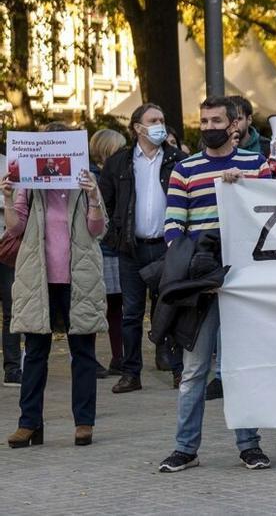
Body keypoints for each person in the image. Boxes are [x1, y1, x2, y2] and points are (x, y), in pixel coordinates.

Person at [157, 96, 273, 473]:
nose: (208, 127)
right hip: (201, 287)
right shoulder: (184, 169)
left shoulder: (257, 166)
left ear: (234, 124)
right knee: (193, 371)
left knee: (240, 368)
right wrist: (191, 267)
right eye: (203, 120)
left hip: (243, 283)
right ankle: (185, 448)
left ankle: (249, 445)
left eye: (216, 120)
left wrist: (242, 190)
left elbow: (271, 216)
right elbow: (173, 225)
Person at [4, 122, 108, 449]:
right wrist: (8, 197)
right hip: (39, 279)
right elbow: (15, 228)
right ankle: (29, 423)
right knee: (35, 352)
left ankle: (84, 422)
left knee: (83, 353)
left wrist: (92, 196)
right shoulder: (30, 185)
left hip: (79, 280)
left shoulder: (84, 182)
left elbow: (98, 230)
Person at [102, 103, 187, 394]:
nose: (159, 125)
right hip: (132, 249)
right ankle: (131, 373)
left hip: (168, 247)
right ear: (138, 127)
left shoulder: (178, 160)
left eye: (162, 120)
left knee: (172, 308)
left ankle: (178, 369)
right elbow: (107, 202)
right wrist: (116, 235)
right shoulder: (120, 163)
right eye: (153, 120)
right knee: (131, 313)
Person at [88, 128, 127, 379]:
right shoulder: (91, 177)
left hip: (115, 248)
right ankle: (87, 358)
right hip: (98, 249)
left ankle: (119, 357)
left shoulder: (116, 173)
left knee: (116, 306)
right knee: (92, 307)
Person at [0, 151, 22, 388]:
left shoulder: (10, 162)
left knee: (12, 309)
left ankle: (13, 368)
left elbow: (19, 202)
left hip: (6, 246)